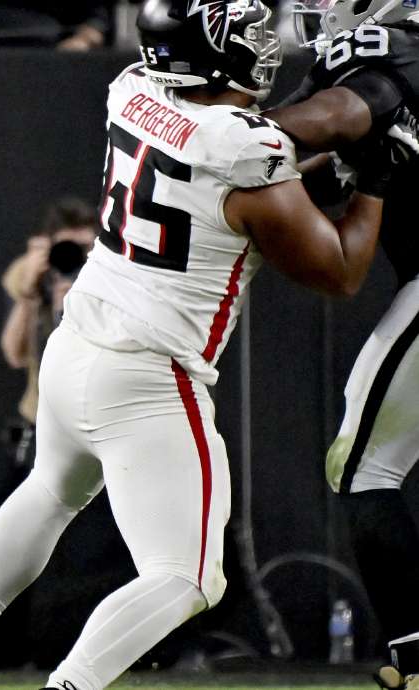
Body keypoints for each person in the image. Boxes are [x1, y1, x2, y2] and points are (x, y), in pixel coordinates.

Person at [0, 0, 407, 688]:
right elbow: (339, 269)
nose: (262, 45)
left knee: (50, 489)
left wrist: (343, 169)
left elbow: (256, 187)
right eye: (247, 36)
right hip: (149, 372)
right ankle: (71, 684)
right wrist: (377, 178)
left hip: (77, 343)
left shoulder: (133, 92)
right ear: (214, 51)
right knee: (188, 576)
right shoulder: (244, 148)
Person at [277, 1, 419, 685]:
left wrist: (206, 136)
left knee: (362, 466)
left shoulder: (384, 55)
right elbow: (319, 150)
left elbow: (341, 115)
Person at [0, 198, 98, 471]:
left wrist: (75, 310)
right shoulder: (29, 274)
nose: (75, 256)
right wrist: (29, 295)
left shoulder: (104, 278)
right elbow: (14, 354)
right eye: (67, 247)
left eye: (85, 248)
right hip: (43, 418)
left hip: (94, 419)